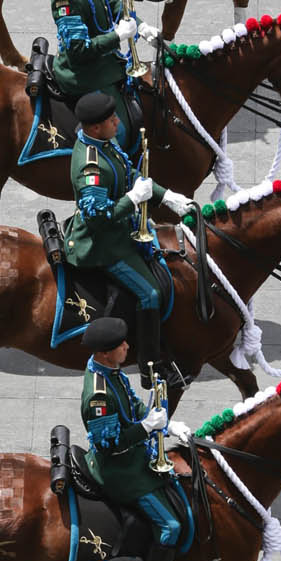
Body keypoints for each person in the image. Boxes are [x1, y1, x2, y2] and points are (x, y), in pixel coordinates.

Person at [64, 92, 193, 375]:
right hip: (103, 244)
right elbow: (98, 217)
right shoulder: (90, 165)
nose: (118, 121)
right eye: (112, 119)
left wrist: (166, 196)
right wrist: (133, 200)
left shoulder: (104, 143)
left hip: (122, 229)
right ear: (96, 127)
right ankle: (151, 365)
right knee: (149, 293)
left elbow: (129, 174)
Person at [79, 316, 191, 561]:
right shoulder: (98, 393)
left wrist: (168, 424)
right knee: (170, 527)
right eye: (121, 344)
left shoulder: (113, 372)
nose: (128, 346)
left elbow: (134, 405)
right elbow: (108, 445)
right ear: (105, 352)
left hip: (133, 456)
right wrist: (146, 428)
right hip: (117, 470)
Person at [41, 0, 160, 152]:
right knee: (117, 131)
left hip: (107, 60)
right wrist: (117, 36)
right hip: (86, 74)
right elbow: (79, 50)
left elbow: (110, 1)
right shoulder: (64, 0)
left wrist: (141, 26)